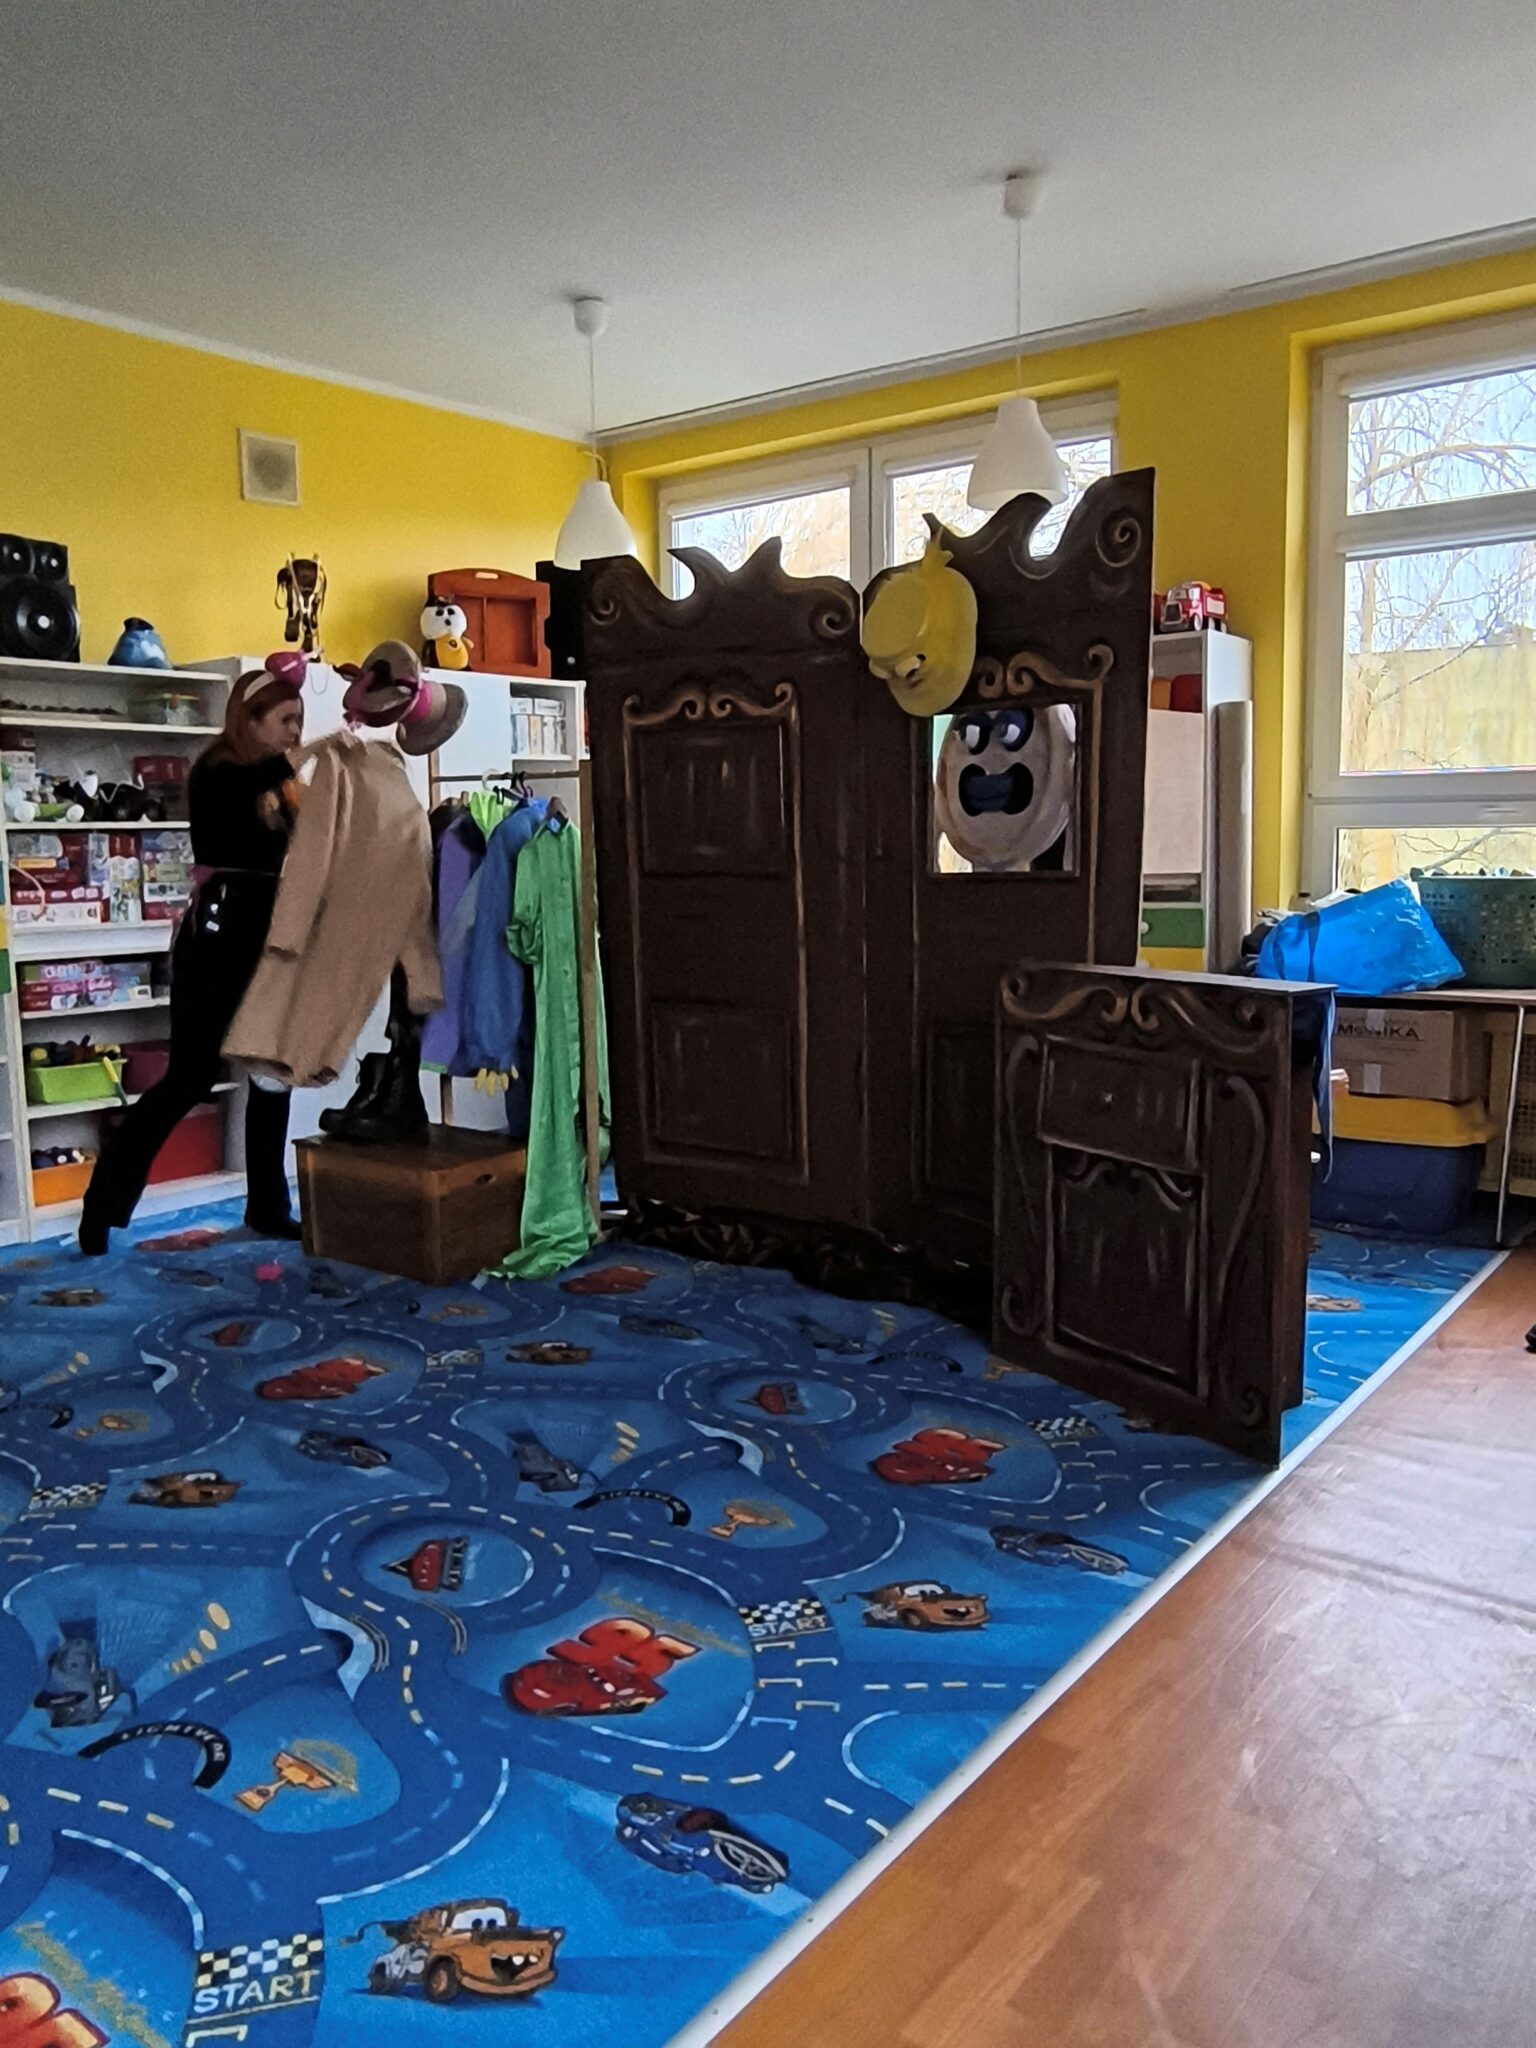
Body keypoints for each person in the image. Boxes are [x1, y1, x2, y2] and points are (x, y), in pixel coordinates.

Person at [79, 660, 319, 1256]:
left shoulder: (279, 783)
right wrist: (312, 756)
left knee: (270, 1075)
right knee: (188, 1077)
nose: (294, 732)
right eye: (285, 720)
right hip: (218, 934)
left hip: (268, 935)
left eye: (300, 721)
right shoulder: (218, 772)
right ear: (250, 720)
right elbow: (249, 791)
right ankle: (102, 1206)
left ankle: (268, 1206)